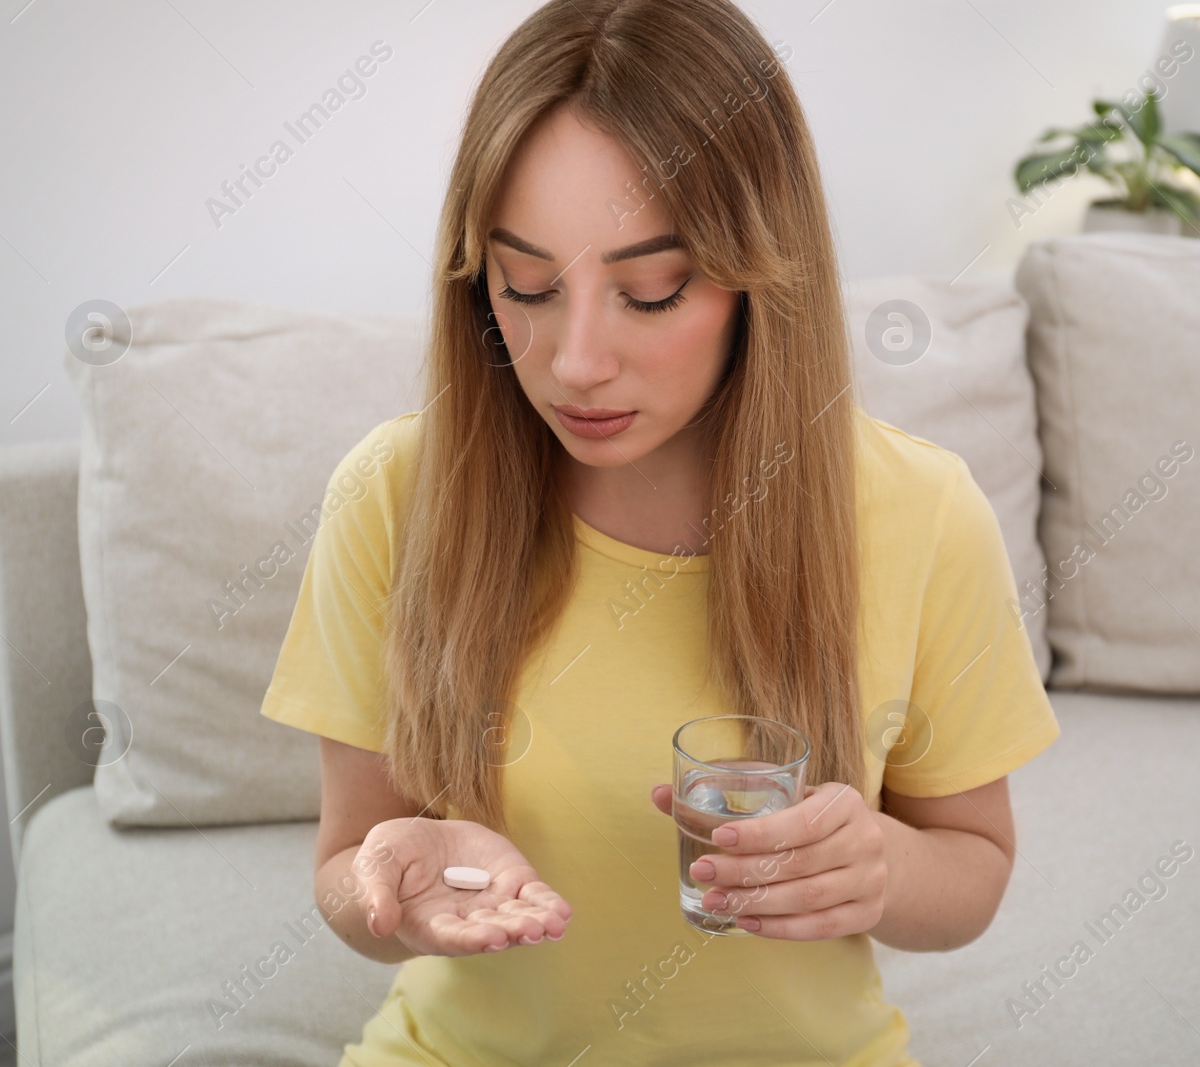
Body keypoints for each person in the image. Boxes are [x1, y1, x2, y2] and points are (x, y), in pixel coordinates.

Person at [258, 0, 1060, 1063]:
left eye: (649, 291)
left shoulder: (922, 512)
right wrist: (390, 889)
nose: (574, 358)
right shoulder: (392, 495)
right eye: (527, 284)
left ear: (756, 276)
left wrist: (881, 870)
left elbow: (973, 869)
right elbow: (344, 868)